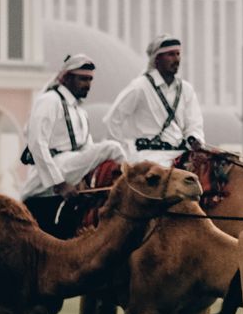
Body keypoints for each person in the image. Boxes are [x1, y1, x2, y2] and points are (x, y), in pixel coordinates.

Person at [19, 53, 127, 202]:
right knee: (112, 148)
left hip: (72, 168)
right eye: (82, 79)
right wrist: (59, 184)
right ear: (66, 78)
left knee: (109, 151)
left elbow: (87, 150)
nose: (88, 85)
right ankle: (130, 191)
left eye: (90, 79)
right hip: (54, 170)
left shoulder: (80, 111)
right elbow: (37, 144)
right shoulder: (50, 101)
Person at [106, 34, 205, 166]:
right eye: (170, 54)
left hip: (181, 155)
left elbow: (194, 124)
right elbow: (113, 120)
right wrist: (125, 153)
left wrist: (194, 139)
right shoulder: (140, 87)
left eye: (178, 54)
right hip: (149, 157)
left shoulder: (186, 89)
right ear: (157, 59)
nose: (176, 59)